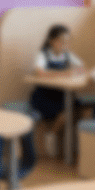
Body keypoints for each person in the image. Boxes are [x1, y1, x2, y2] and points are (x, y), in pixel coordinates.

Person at [28, 24, 84, 157]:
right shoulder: (43, 54)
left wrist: (76, 71)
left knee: (77, 108)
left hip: (62, 94)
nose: (65, 44)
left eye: (67, 41)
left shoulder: (67, 55)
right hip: (44, 96)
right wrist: (64, 74)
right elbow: (40, 73)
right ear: (51, 41)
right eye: (61, 41)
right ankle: (52, 135)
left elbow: (82, 67)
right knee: (65, 112)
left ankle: (70, 146)